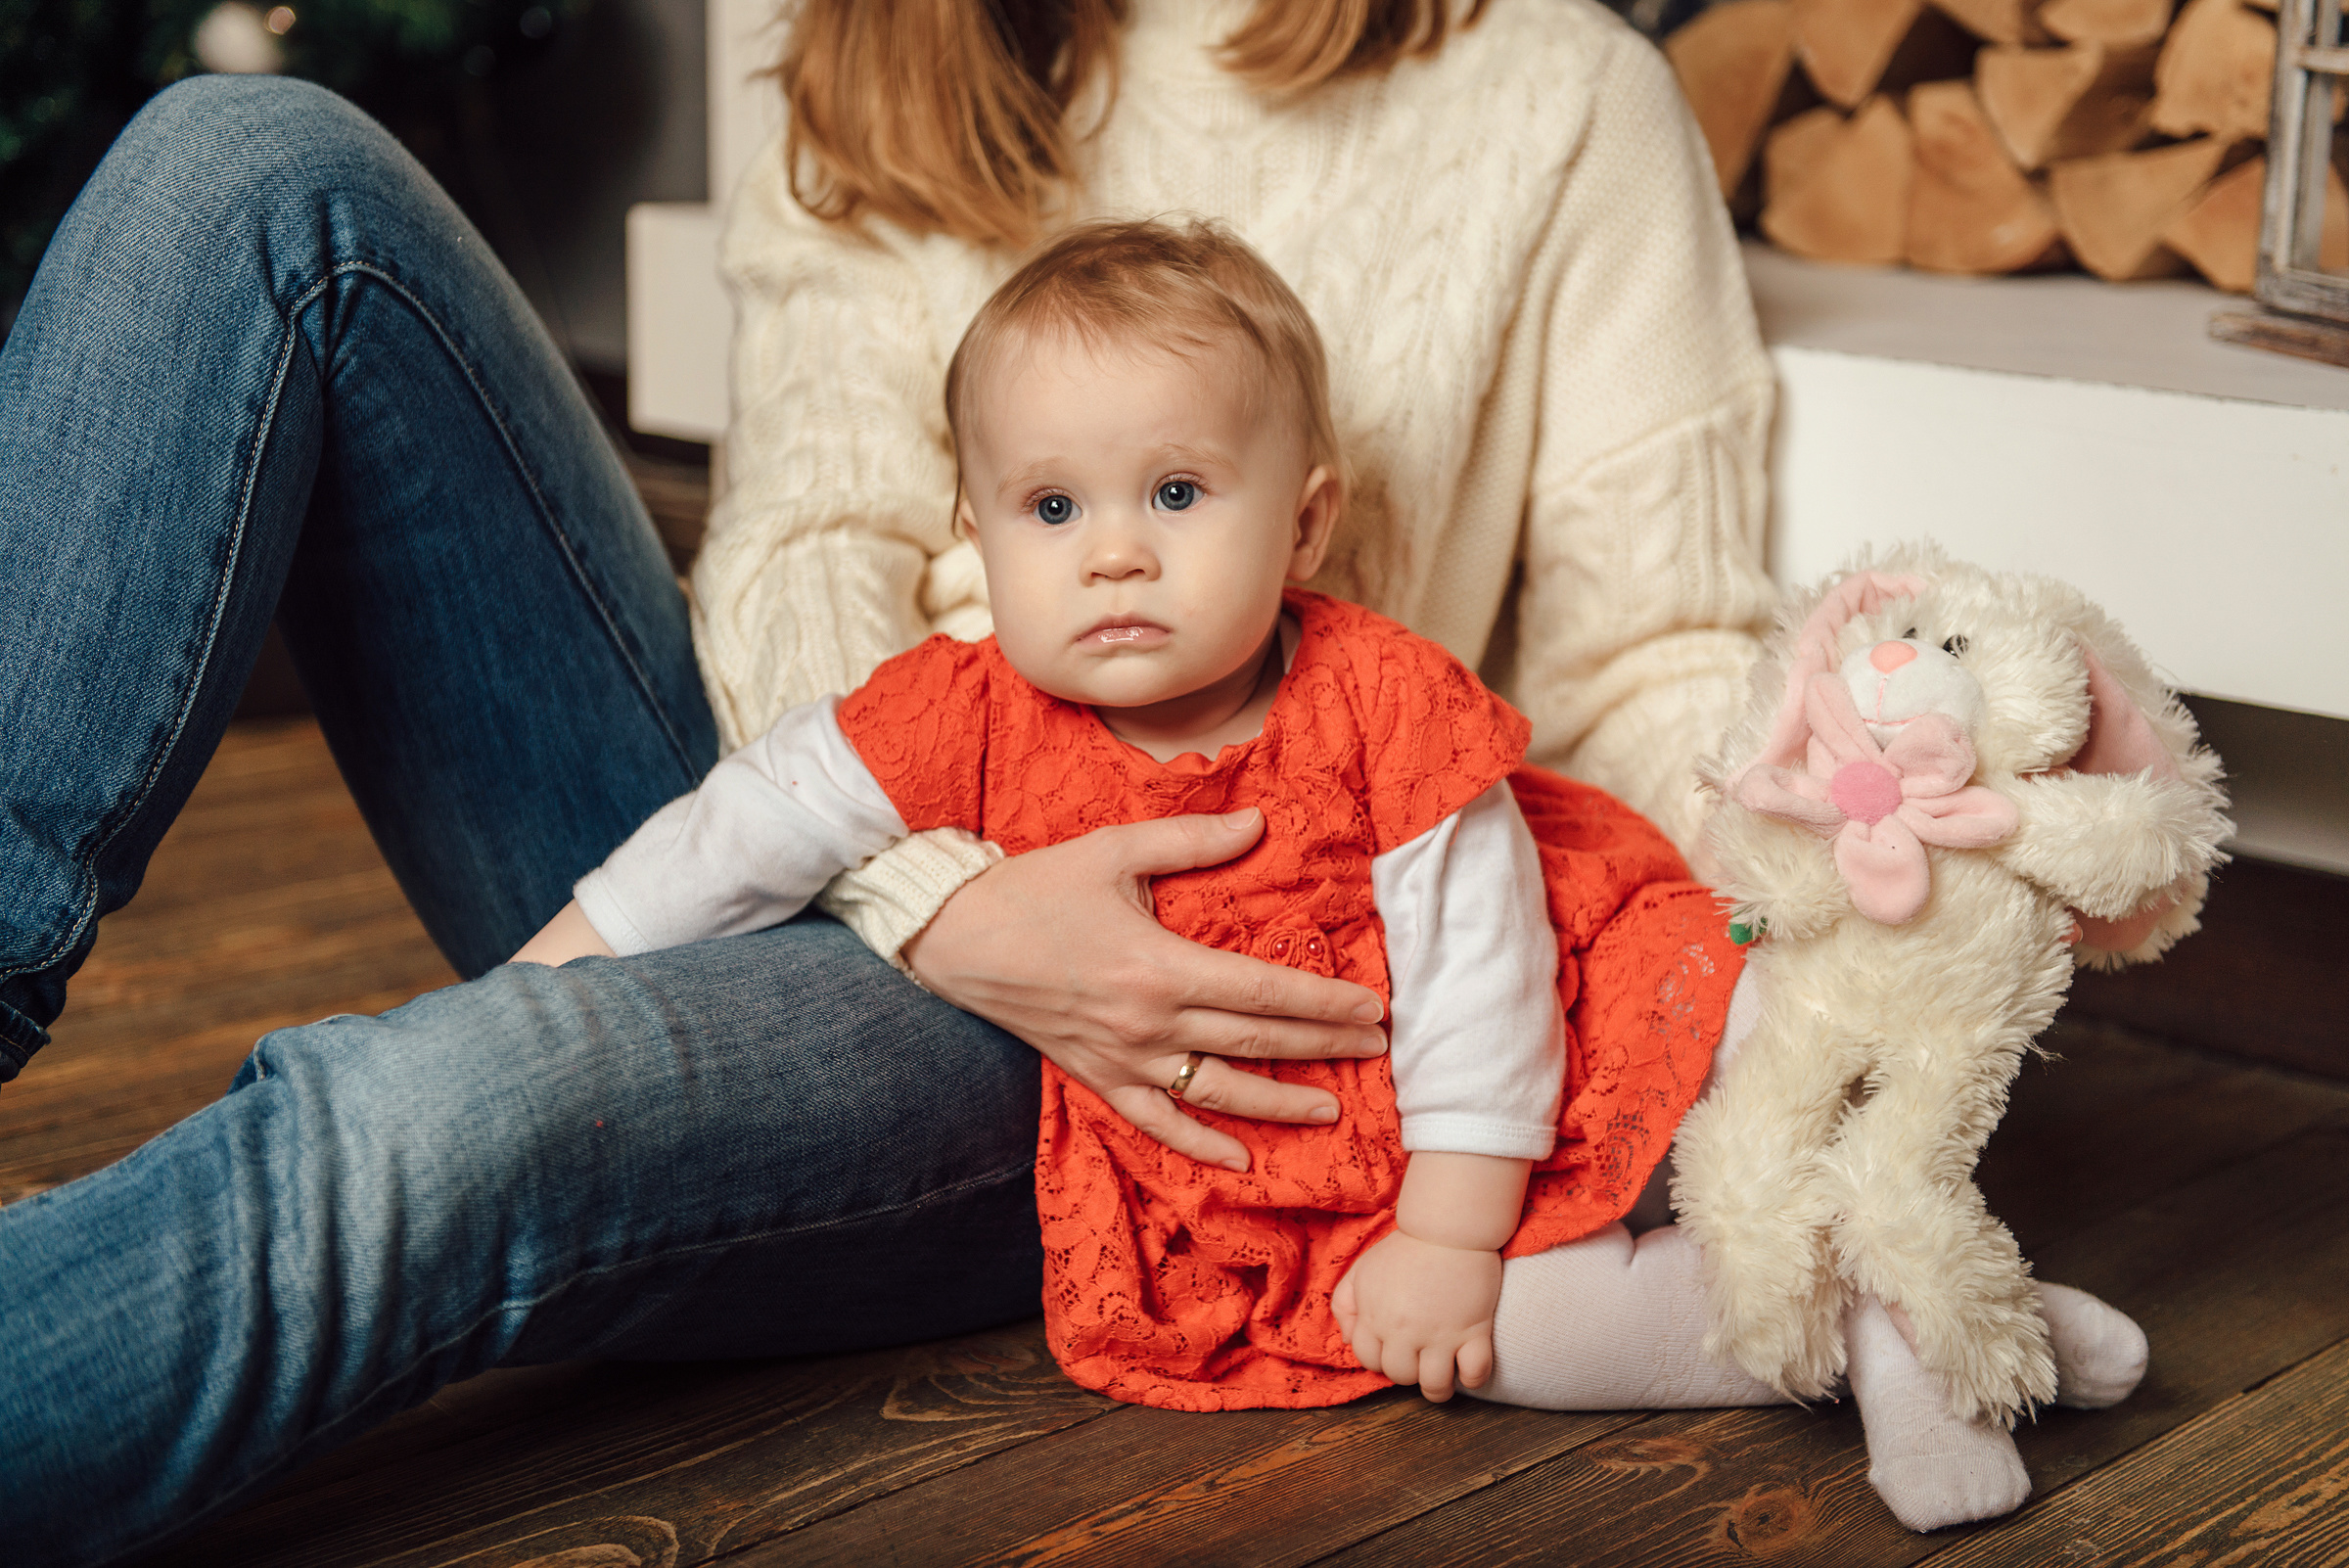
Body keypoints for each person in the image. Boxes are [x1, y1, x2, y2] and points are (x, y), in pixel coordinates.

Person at [0, 0, 2128, 1558]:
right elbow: (808, 553)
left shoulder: (1557, 90)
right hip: (838, 813)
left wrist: (1831, 911)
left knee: (426, 1104)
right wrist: (942, 887)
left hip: (1196, 1017)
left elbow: (1641, 664)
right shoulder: (897, 51)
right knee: (249, 166)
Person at [516, 215, 1749, 1409]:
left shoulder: (1386, 705)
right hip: (1314, 1193)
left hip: (1514, 1082)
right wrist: (548, 975)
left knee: (1753, 1048)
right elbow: (752, 821)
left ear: (1305, 524)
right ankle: (1805, 1333)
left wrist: (1449, 1230)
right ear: (978, 533)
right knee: (1521, 1342)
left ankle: (1863, 1220)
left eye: (1174, 493)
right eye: (1052, 510)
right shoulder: (960, 709)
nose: (1114, 554)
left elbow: (1484, 970)